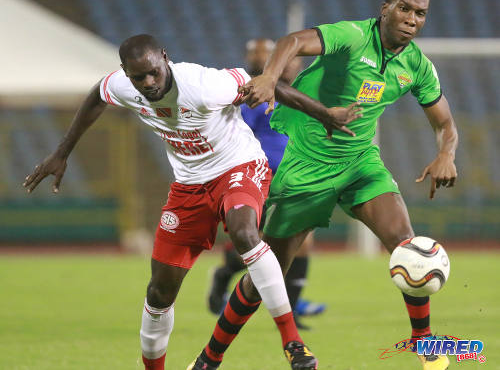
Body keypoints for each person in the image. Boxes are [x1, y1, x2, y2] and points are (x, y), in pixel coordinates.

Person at [22, 34, 362, 370]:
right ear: (126, 73)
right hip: (188, 186)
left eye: (154, 71)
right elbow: (98, 94)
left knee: (245, 234)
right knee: (159, 293)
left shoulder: (203, 84)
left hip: (238, 166)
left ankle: (293, 343)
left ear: (165, 58)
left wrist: (325, 115)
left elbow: (265, 85)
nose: (149, 82)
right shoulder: (124, 86)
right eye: (138, 77)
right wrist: (61, 152)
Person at [199, 0, 459, 370]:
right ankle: (208, 359)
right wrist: (269, 76)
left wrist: (446, 153)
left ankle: (424, 344)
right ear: (385, 9)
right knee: (264, 276)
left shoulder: (417, 66)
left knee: (406, 244)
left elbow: (445, 122)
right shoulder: (352, 35)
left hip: (360, 164)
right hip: (306, 167)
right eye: (404, 8)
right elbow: (291, 42)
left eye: (419, 13)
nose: (411, 19)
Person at [207, 38, 326, 330]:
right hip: (260, 177)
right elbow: (237, 133)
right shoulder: (251, 94)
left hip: (292, 177)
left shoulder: (297, 94)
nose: (294, 64)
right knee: (259, 246)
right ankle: (225, 273)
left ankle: (293, 311)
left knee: (303, 242)